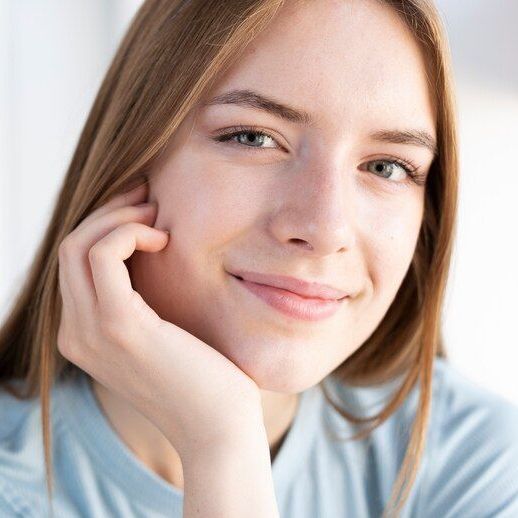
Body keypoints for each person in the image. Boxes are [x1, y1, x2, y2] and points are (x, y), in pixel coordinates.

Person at [1, 0, 517, 516]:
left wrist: (220, 449)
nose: (324, 229)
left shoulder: (470, 459)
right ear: (131, 154)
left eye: (386, 166)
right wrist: (220, 442)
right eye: (254, 137)